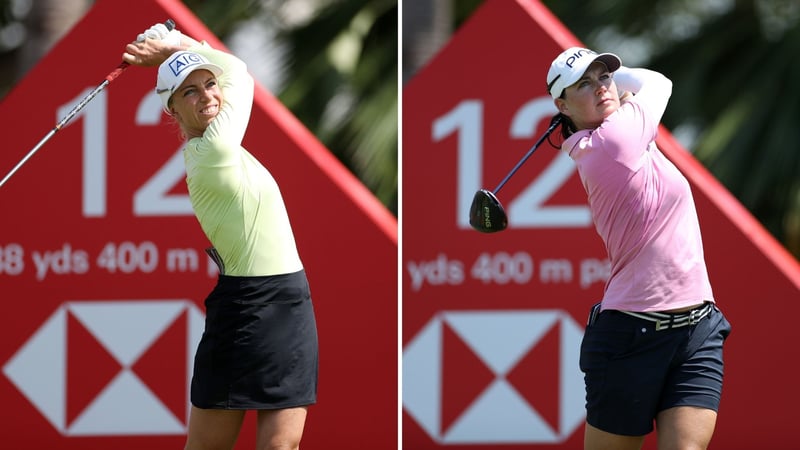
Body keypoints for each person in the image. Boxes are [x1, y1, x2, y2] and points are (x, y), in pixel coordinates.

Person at [122, 23, 318, 450]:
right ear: (171, 109)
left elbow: (229, 73)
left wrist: (176, 50)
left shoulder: (221, 142)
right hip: (246, 308)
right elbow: (240, 73)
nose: (208, 95)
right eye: (189, 92)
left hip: (290, 299)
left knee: (283, 447)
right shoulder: (213, 151)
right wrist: (176, 47)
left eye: (209, 84)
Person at [545, 47, 731, 450]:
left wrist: (612, 89)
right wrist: (622, 80)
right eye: (584, 84)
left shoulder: (620, 135)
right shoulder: (612, 143)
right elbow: (659, 82)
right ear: (561, 104)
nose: (601, 88)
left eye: (603, 77)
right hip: (632, 333)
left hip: (697, 326)